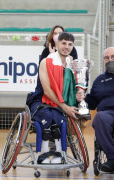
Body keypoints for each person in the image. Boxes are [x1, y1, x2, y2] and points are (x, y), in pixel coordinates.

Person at [34, 32, 81, 164]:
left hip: (60, 103)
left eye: (70, 44)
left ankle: (58, 154)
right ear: (57, 44)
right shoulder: (45, 62)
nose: (67, 47)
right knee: (47, 117)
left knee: (59, 121)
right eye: (64, 43)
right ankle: (43, 152)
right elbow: (47, 91)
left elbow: (75, 87)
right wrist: (64, 107)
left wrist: (79, 94)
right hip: (41, 100)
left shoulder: (73, 64)